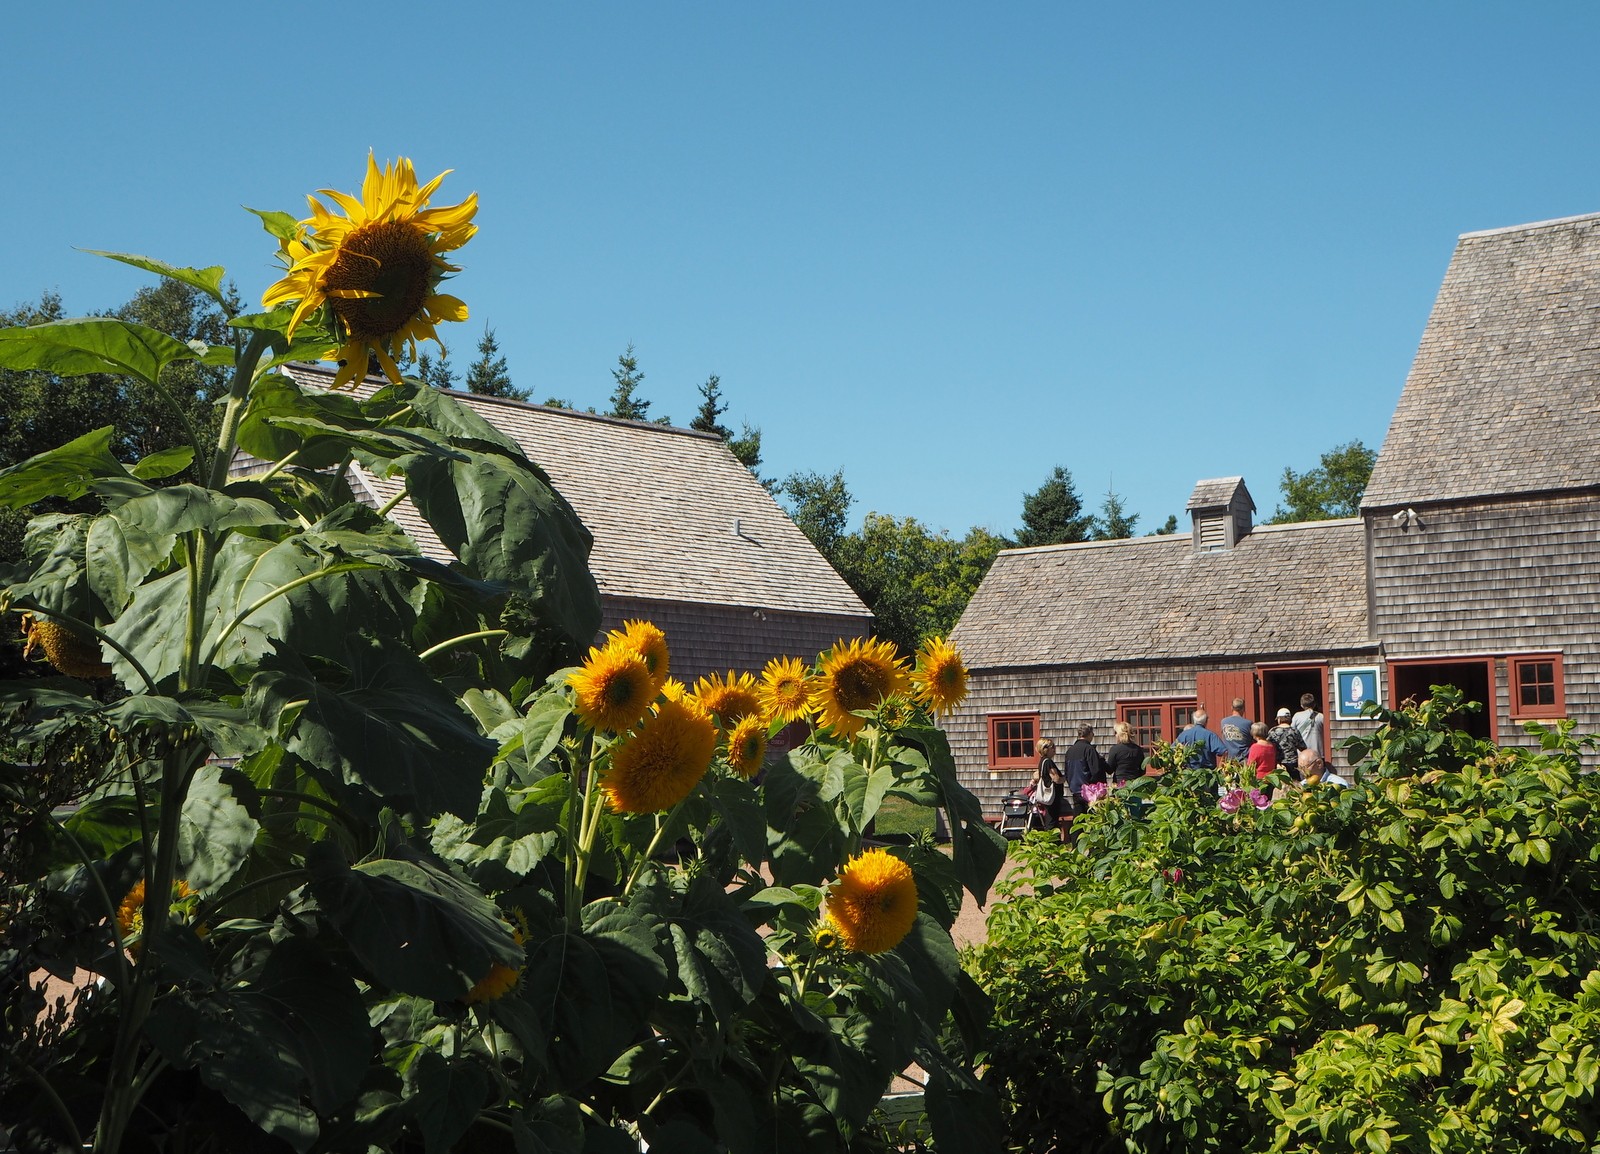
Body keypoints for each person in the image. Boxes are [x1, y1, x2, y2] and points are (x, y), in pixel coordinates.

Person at [1062, 724, 1109, 814]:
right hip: (1089, 792)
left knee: (1078, 819)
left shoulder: (1070, 751)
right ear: (1090, 733)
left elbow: (1067, 773)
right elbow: (1096, 771)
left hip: (1075, 790)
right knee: (1091, 820)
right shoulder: (1089, 750)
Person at [1268, 707, 1307, 780]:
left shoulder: (1272, 731)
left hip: (1278, 764)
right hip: (1293, 764)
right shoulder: (1294, 731)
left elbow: (1268, 746)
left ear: (1279, 719)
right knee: (1294, 785)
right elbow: (1303, 747)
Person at [1104, 721, 1145, 785]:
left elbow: (1110, 770)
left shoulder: (1115, 749)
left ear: (1119, 734)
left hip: (1119, 783)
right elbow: (1143, 770)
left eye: (1116, 733)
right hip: (1134, 784)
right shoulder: (1138, 750)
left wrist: (1101, 761)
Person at [1293, 693, 1326, 771]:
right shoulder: (1321, 716)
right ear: (1314, 704)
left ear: (1301, 705)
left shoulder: (1297, 716)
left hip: (1302, 754)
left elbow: (1292, 733)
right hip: (1318, 753)